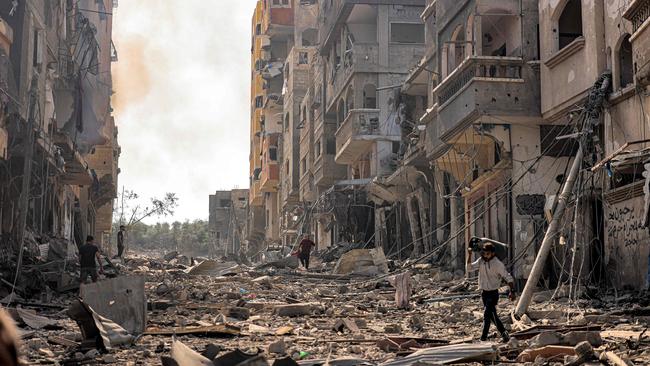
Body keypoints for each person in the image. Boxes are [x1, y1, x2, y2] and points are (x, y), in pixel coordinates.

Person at [466, 242, 515, 342]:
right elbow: (469, 268)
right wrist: (470, 254)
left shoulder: (497, 264)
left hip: (493, 293)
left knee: (486, 315)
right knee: (493, 316)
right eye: (484, 253)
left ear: (492, 253)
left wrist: (512, 291)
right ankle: (504, 333)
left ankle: (483, 338)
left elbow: (508, 277)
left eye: (487, 254)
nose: (485, 255)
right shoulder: (481, 261)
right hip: (484, 293)